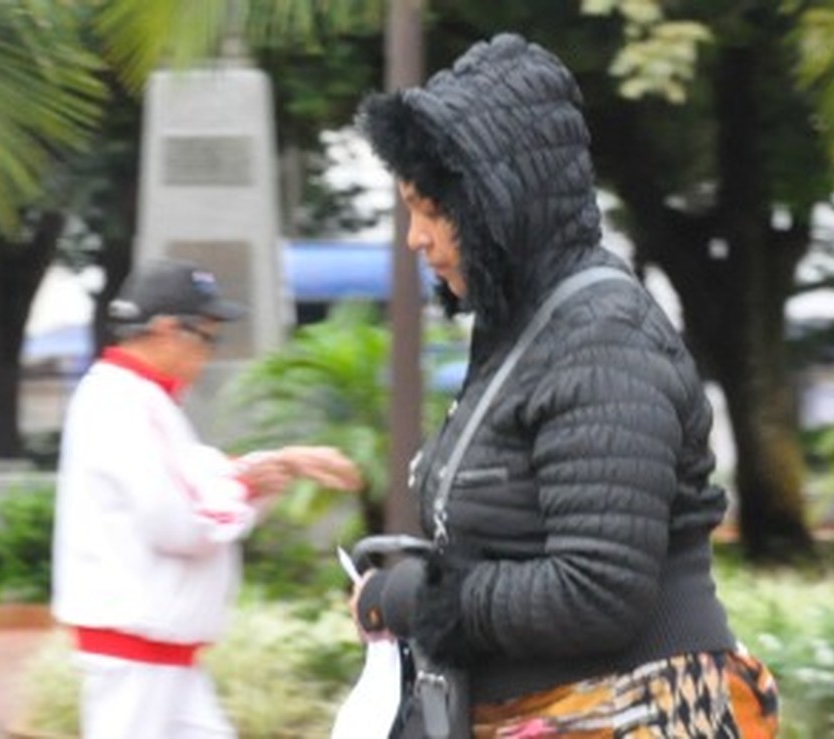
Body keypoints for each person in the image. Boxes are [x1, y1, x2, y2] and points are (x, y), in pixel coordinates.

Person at [349, 34, 779, 737]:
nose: (415, 239)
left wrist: (416, 599)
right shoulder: (524, 329)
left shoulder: (602, 337)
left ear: (499, 204)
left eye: (432, 211)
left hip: (628, 709)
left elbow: (598, 588)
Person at [52, 258, 362, 739]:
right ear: (167, 329)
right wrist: (253, 481)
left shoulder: (135, 397)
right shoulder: (123, 400)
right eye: (208, 336)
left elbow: (197, 478)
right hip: (139, 649)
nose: (210, 353)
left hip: (155, 650)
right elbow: (180, 521)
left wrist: (270, 468)